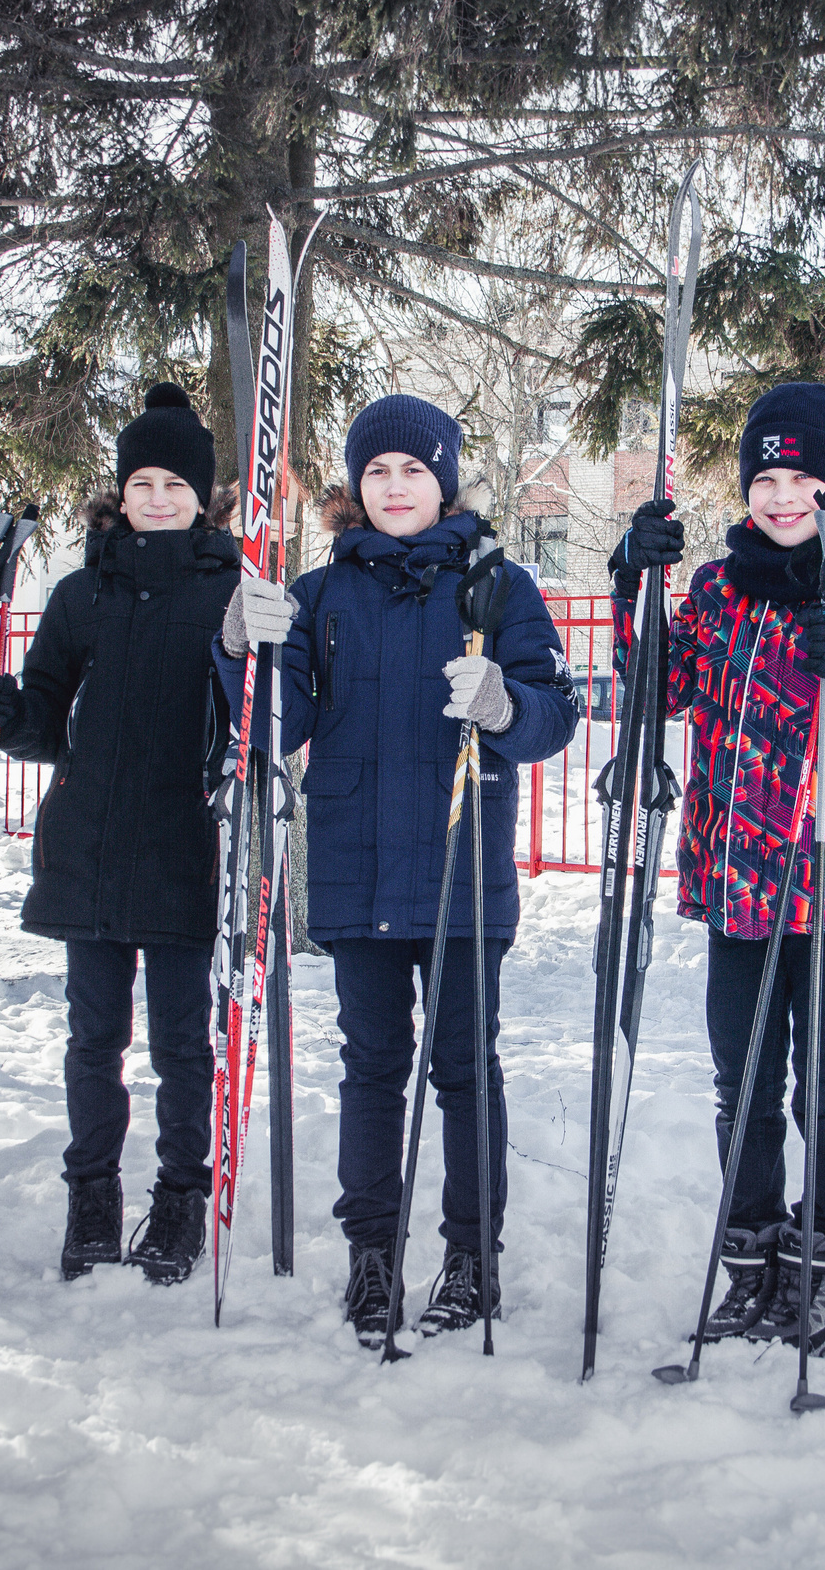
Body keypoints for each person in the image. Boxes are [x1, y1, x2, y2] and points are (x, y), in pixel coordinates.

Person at [219, 395, 579, 1348]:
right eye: (377, 470)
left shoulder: (499, 584)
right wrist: (241, 649)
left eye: (413, 469)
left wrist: (505, 704)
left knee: (464, 1068)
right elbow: (274, 727)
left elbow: (555, 712)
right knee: (371, 1068)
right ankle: (372, 1254)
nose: (394, 485)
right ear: (356, 484)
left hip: (462, 868)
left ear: (444, 479)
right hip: (358, 869)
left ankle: (472, 1256)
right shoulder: (320, 594)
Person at [609, 381, 825, 1356]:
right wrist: (634, 584)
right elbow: (657, 689)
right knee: (745, 1086)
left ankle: (824, 1263)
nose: (782, 496)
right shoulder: (720, 591)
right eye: (765, 479)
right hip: (739, 888)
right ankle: (751, 1261)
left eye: (802, 479)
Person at [0, 384, 238, 1284]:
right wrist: (7, 710)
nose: (156, 497)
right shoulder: (80, 595)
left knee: (181, 1043)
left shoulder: (231, 593)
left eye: (174, 484)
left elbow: (255, 720)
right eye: (142, 482)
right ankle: (92, 1195)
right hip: (89, 847)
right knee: (93, 1038)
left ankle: (181, 1195)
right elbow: (46, 721)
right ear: (121, 491)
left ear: (203, 497)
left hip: (183, 847)